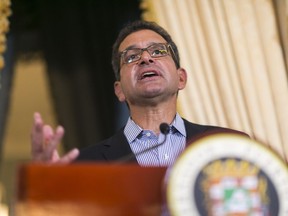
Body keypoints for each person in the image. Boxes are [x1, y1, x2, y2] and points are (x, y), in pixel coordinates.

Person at [31, 20, 247, 166]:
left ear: (181, 78)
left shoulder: (230, 145)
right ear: (119, 90)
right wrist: (45, 186)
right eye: (132, 56)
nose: (146, 58)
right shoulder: (86, 164)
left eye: (158, 51)